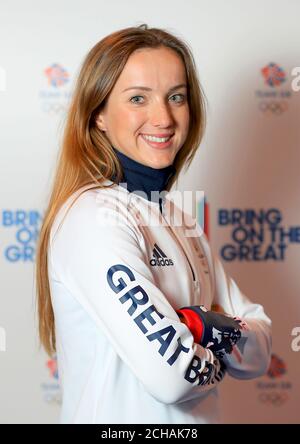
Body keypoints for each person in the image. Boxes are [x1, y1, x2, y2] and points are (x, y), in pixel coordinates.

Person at [35, 24, 272, 424]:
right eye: (138, 98)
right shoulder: (93, 217)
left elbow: (261, 352)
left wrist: (197, 325)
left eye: (175, 97)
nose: (162, 117)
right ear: (99, 116)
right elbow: (174, 378)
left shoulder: (179, 217)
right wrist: (220, 337)